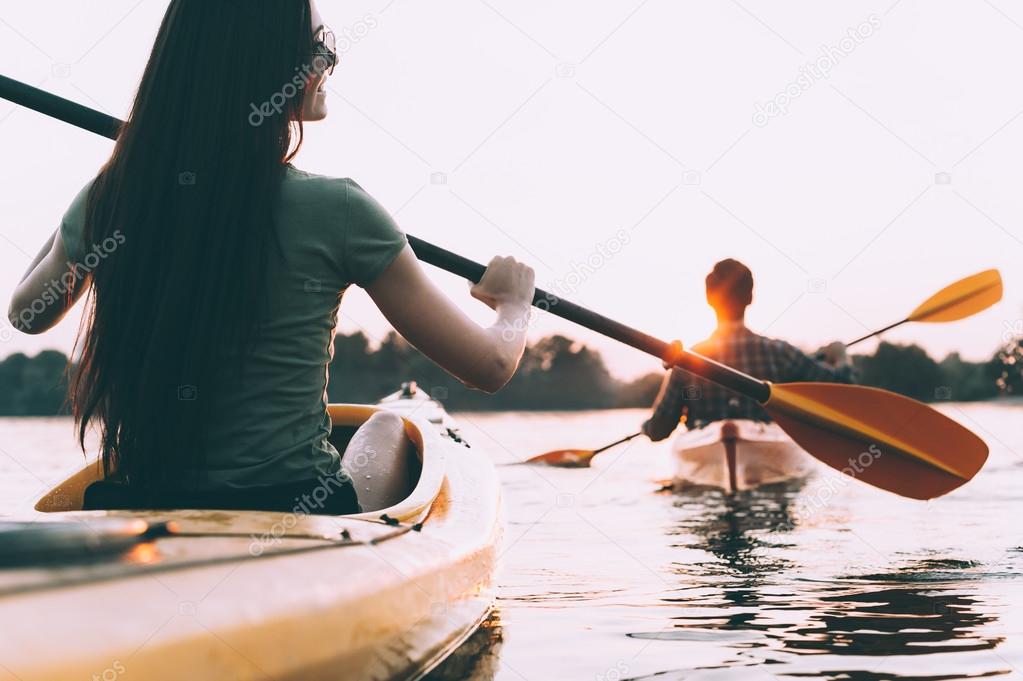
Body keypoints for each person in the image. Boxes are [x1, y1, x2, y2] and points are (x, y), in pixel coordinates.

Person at [6, 0, 535, 514]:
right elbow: (488, 366)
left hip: (141, 498)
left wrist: (118, 181)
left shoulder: (109, 201)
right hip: (295, 505)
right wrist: (513, 303)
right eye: (319, 47)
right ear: (269, 66)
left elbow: (27, 313)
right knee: (389, 425)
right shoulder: (340, 210)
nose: (330, 63)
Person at [642, 259, 855, 441]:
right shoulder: (780, 354)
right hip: (767, 447)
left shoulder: (688, 361)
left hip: (706, 448)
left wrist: (645, 428)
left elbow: (659, 430)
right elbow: (844, 387)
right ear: (750, 298)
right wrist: (841, 354)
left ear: (708, 299)